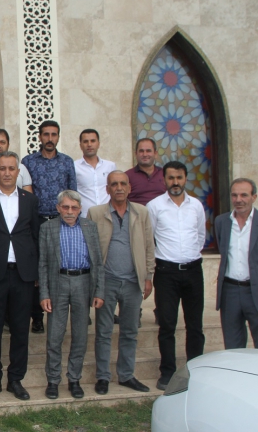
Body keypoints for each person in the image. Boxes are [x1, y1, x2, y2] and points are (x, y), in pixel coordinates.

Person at [0, 151, 39, 401]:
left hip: (23, 274)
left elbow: (35, 236)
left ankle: (16, 379)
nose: (7, 173)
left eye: (12, 168)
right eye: (2, 168)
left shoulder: (30, 200)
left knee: (21, 329)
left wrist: (36, 273)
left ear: (18, 172)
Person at [88, 171, 154, 395]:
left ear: (129, 188)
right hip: (106, 281)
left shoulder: (141, 213)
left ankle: (126, 375)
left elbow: (149, 245)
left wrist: (148, 276)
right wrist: (94, 283)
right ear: (107, 189)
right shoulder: (96, 213)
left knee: (130, 331)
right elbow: (90, 248)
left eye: (123, 184)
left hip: (133, 281)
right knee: (103, 332)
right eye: (114, 184)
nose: (119, 188)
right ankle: (103, 376)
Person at [147, 161, 206, 391]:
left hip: (193, 271)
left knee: (195, 325)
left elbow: (200, 236)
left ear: (185, 178)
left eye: (179, 178)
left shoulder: (196, 206)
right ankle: (168, 372)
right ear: (164, 180)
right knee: (167, 325)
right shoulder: (154, 206)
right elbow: (150, 238)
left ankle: (195, 370)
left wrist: (189, 257)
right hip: (166, 273)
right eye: (171, 178)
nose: (175, 182)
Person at [39, 190, 103, 400]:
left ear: (80, 209)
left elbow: (98, 262)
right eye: (65, 207)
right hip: (58, 281)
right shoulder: (47, 228)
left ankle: (74, 379)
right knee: (54, 335)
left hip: (83, 282)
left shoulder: (90, 227)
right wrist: (44, 293)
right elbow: (43, 263)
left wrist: (99, 291)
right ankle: (53, 380)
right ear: (58, 208)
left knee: (80, 335)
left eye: (74, 208)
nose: (69, 211)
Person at [22, 120, 77, 334]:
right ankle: (37, 317)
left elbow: (73, 193)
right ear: (39, 137)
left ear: (58, 137)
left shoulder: (67, 162)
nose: (50, 139)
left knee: (57, 267)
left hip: (59, 222)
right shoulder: (28, 161)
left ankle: (58, 313)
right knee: (38, 268)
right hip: (36, 221)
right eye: (46, 134)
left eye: (54, 134)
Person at [215, 178, 258, 349]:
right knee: (233, 347)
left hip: (255, 290)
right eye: (234, 195)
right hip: (230, 291)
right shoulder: (221, 222)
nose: (238, 199)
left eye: (244, 195)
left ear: (254, 197)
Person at [74, 129, 116, 218]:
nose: (89, 144)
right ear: (80, 145)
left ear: (98, 144)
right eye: (85, 141)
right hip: (85, 216)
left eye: (93, 141)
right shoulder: (74, 166)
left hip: (108, 215)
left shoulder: (110, 166)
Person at [125, 138, 166, 206]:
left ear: (155, 154)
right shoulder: (127, 176)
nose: (145, 154)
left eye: (148, 151)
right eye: (141, 151)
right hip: (137, 212)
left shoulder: (164, 174)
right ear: (136, 154)